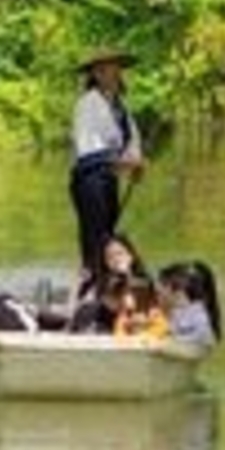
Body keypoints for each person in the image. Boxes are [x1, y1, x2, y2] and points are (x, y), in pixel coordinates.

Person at [69, 47, 146, 280]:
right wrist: (121, 161)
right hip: (89, 180)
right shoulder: (87, 104)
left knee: (108, 235)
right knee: (95, 236)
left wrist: (136, 162)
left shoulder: (120, 106)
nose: (112, 75)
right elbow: (86, 149)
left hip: (108, 179)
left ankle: (106, 278)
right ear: (96, 75)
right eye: (105, 71)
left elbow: (131, 140)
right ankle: (92, 279)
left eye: (115, 70)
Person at [68, 233, 147, 333]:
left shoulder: (144, 284)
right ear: (106, 263)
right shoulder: (106, 285)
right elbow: (111, 303)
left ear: (130, 256)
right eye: (110, 257)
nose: (116, 259)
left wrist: (127, 276)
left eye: (119, 253)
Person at [159, 259, 224, 343]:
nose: (158, 293)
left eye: (162, 288)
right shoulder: (178, 315)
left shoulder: (197, 323)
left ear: (179, 293)